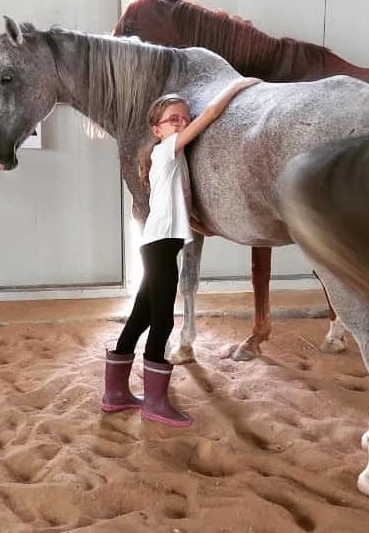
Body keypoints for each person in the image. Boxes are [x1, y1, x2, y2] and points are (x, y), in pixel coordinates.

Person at [101, 77, 262, 427]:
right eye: (173, 119)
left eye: (183, 117)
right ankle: (155, 402)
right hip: (160, 247)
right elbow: (213, 113)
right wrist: (240, 86)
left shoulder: (167, 153)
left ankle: (115, 394)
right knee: (162, 321)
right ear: (157, 129)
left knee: (141, 318)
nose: (182, 123)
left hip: (158, 245)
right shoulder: (168, 148)